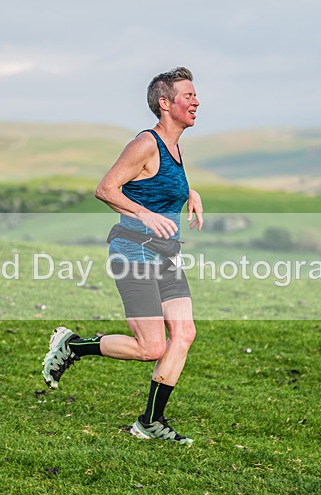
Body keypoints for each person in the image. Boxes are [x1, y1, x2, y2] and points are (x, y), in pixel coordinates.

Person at [42, 66, 203, 444]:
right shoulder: (145, 143)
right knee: (151, 347)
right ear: (165, 103)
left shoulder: (175, 146)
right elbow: (106, 188)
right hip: (134, 252)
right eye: (188, 96)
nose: (196, 101)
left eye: (196, 95)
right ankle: (73, 346)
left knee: (184, 333)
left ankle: (150, 422)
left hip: (166, 253)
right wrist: (145, 215)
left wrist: (189, 193)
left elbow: (158, 181)